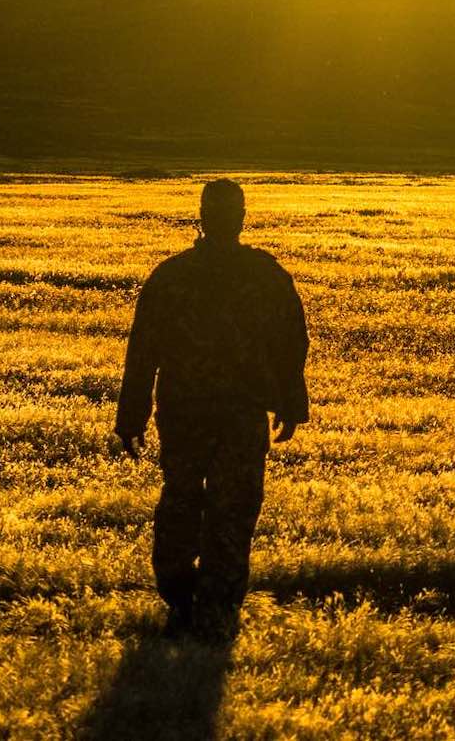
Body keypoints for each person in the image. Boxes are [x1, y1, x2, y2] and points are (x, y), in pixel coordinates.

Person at [116, 180, 310, 638]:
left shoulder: (174, 276)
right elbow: (292, 344)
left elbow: (142, 350)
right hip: (232, 415)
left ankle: (187, 601)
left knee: (191, 502)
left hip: (189, 413)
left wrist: (132, 417)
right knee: (229, 508)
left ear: (201, 215)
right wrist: (289, 402)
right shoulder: (264, 275)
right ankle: (210, 606)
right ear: (240, 217)